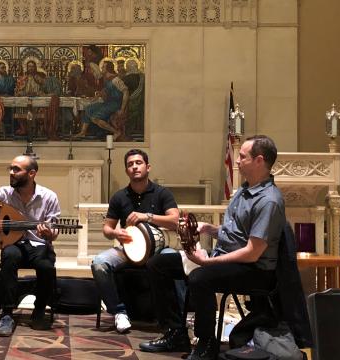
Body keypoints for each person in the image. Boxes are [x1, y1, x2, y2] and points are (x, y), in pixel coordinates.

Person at [139, 135, 285, 360]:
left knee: (201, 278)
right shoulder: (244, 191)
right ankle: (175, 332)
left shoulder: (269, 200)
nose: (237, 161)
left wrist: (207, 262)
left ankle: (207, 343)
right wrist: (209, 229)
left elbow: (252, 252)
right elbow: (236, 235)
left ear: (259, 161)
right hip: (231, 259)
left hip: (256, 271)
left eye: (243, 157)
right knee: (158, 264)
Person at [0, 155, 60, 337]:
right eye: (10, 168)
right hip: (13, 242)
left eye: (16, 169)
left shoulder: (49, 197)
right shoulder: (4, 193)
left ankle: (39, 310)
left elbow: (53, 231)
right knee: (9, 256)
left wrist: (49, 234)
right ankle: (7, 313)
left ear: (32, 173)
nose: (11, 173)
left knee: (46, 264)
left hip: (38, 244)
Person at [91, 149, 180, 334]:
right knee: (99, 263)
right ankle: (119, 312)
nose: (134, 167)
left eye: (138, 163)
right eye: (130, 164)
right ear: (126, 171)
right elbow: (107, 229)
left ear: (148, 167)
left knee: (175, 259)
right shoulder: (119, 197)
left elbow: (174, 221)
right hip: (128, 250)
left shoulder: (162, 193)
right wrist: (116, 233)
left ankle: (177, 315)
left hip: (158, 250)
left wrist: (147, 216)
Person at [74, 59, 129, 139]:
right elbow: (104, 91)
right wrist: (94, 99)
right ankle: (83, 132)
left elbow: (126, 92)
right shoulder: (107, 79)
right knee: (88, 108)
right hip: (108, 103)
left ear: (108, 69)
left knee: (95, 118)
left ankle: (116, 132)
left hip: (115, 104)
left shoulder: (116, 80)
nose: (101, 69)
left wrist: (122, 109)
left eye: (103, 67)